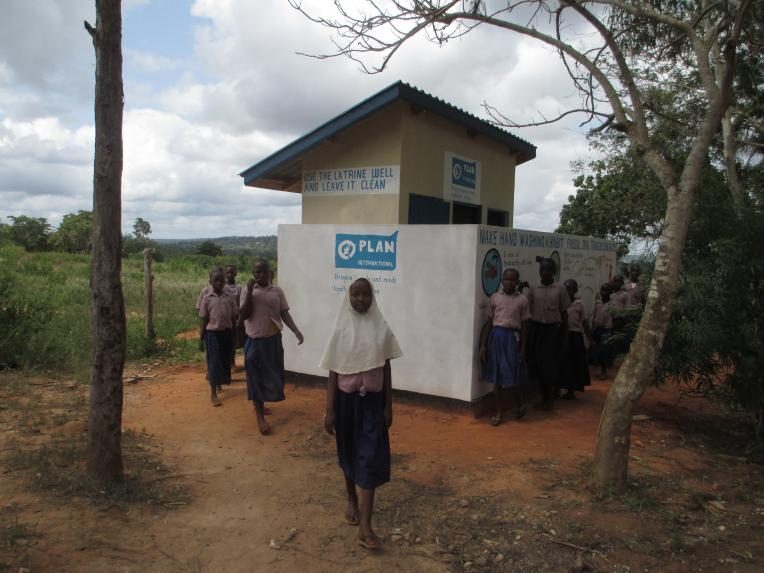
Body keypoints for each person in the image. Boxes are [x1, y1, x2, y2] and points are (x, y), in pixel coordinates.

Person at [320, 278, 401, 551]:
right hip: (345, 403)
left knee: (369, 457)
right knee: (349, 452)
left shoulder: (381, 327)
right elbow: (333, 370)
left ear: (372, 297)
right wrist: (329, 409)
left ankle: (366, 526)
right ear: (349, 297)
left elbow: (387, 368)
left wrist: (389, 406)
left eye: (366, 295)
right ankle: (350, 498)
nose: (361, 299)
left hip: (373, 404)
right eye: (356, 294)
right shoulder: (341, 329)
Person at [239, 259, 304, 435]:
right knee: (255, 378)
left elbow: (284, 313)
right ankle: (260, 416)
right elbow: (244, 313)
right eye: (255, 272)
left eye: (261, 271)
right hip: (254, 341)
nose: (257, 275)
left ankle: (260, 401)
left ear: (268, 273)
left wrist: (296, 331)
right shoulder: (247, 290)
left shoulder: (277, 291)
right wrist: (250, 292)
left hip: (273, 341)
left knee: (274, 377)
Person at [479, 268, 530, 425]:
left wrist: (522, 349)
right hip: (496, 337)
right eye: (506, 279)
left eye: (513, 279)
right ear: (502, 281)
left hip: (511, 339)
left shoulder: (522, 300)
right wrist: (483, 345)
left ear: (517, 282)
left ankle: (520, 403)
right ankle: (499, 413)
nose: (509, 282)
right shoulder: (495, 298)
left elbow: (525, 327)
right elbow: (489, 323)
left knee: (512, 376)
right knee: (497, 378)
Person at [526, 258, 569, 410]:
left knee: (550, 365)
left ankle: (549, 398)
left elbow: (564, 313)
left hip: (553, 330)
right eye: (543, 270)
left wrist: (565, 335)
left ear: (554, 272)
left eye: (549, 270)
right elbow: (528, 311)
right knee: (537, 364)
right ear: (539, 271)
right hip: (537, 329)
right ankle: (545, 396)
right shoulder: (533, 288)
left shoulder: (560, 289)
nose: (545, 273)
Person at [198, 268, 237, 407]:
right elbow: (203, 319)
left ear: (225, 280)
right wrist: (201, 338)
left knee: (224, 361)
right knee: (214, 362)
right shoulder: (207, 298)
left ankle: (219, 383)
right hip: (212, 334)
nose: (219, 283)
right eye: (216, 280)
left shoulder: (230, 297)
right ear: (210, 282)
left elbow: (233, 317)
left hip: (226, 333)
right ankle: (213, 393)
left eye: (222, 280)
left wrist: (234, 336)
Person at [559, 279, 591, 399]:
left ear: (576, 290)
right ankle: (557, 388)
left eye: (572, 289)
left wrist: (589, 338)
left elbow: (584, 322)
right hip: (562, 335)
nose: (569, 292)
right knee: (562, 362)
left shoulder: (579, 304)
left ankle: (571, 390)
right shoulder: (560, 303)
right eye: (567, 289)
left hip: (575, 336)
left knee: (574, 363)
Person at [590, 283, 614, 380]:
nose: (604, 292)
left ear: (610, 292)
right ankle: (598, 368)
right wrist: (592, 329)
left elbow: (615, 318)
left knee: (604, 351)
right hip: (597, 329)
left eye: (606, 290)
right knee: (596, 350)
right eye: (602, 290)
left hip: (607, 330)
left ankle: (604, 371)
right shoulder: (598, 303)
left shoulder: (612, 304)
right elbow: (594, 316)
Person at [224, 265, 243, 369]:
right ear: (225, 274)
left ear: (236, 273)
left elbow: (241, 302)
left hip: (235, 318)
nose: (230, 275)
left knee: (233, 340)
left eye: (232, 272)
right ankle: (224, 363)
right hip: (224, 318)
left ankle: (232, 363)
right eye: (228, 273)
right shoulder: (222, 287)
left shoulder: (239, 288)